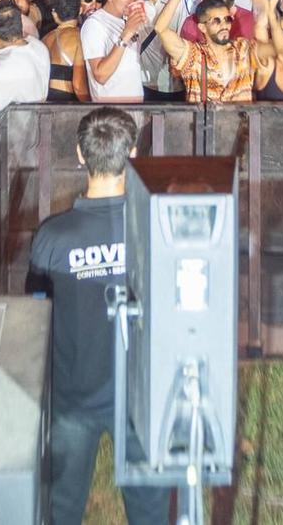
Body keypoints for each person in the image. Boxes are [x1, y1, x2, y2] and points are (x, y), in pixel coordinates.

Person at [23, 109, 172, 525]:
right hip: (141, 398)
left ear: (79, 154)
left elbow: (36, 313)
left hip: (73, 397)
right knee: (149, 513)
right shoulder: (154, 226)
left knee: (59, 511)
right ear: (133, 153)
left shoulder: (53, 237)